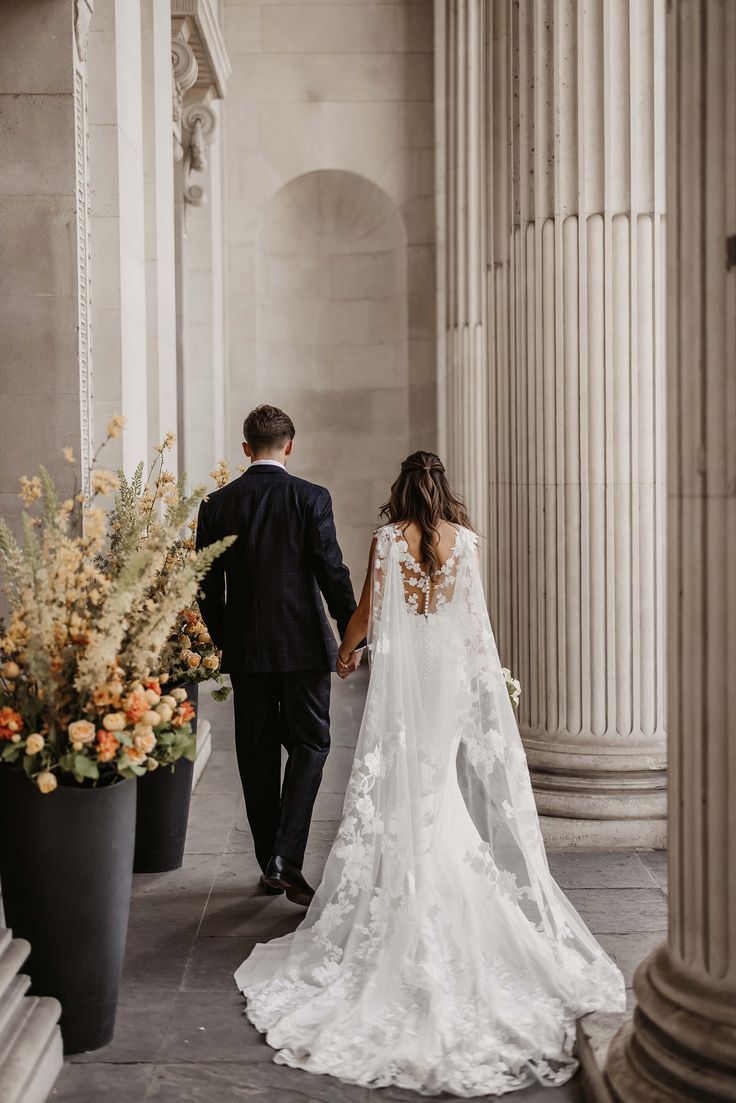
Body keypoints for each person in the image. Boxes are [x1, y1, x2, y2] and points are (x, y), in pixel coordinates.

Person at [234, 450, 625, 1096]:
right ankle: (435, 884)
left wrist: (347, 649)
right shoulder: (465, 542)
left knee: (402, 787)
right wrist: (485, 688)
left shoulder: (388, 539)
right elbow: (475, 626)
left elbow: (366, 607)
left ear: (401, 491)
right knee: (436, 787)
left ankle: (404, 889)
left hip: (404, 676)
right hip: (443, 677)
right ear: (443, 490)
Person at [196, 404, 361, 907]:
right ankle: (285, 859)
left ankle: (273, 862)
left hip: (247, 650)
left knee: (257, 754)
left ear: (246, 447)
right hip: (305, 645)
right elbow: (332, 570)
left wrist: (226, 639)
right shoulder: (311, 497)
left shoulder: (217, 504)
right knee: (312, 744)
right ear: (290, 445)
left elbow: (204, 586)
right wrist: (351, 632)